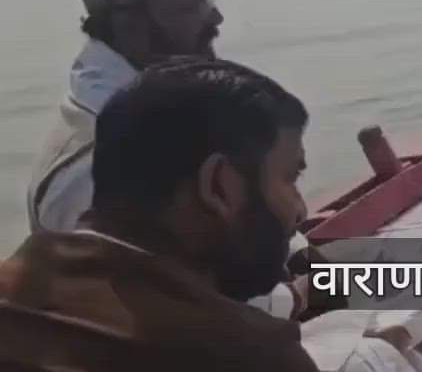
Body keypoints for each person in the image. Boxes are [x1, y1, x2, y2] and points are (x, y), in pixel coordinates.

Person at [25, 0, 319, 319]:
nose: (215, 17)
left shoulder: (174, 101)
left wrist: (324, 269)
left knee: (412, 278)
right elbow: (170, 316)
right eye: (190, 5)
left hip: (268, 301)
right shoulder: (89, 168)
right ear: (131, 27)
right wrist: (303, 295)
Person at [0, 59, 320, 371]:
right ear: (219, 186)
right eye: (291, 178)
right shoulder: (251, 353)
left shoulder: (19, 283)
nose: (300, 210)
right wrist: (314, 290)